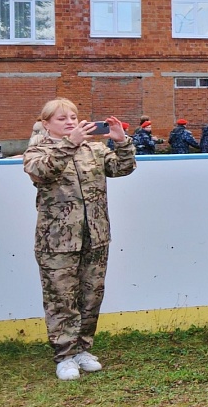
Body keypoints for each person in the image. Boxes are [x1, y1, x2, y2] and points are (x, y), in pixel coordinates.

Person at [21, 100, 136, 380]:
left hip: (95, 237)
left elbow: (123, 168)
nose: (70, 122)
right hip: (56, 242)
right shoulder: (38, 150)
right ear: (46, 124)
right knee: (61, 299)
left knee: (90, 296)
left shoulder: (94, 149)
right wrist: (69, 144)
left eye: (73, 117)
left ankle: (83, 348)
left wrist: (122, 142)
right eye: (62, 118)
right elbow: (43, 172)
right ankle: (64, 356)